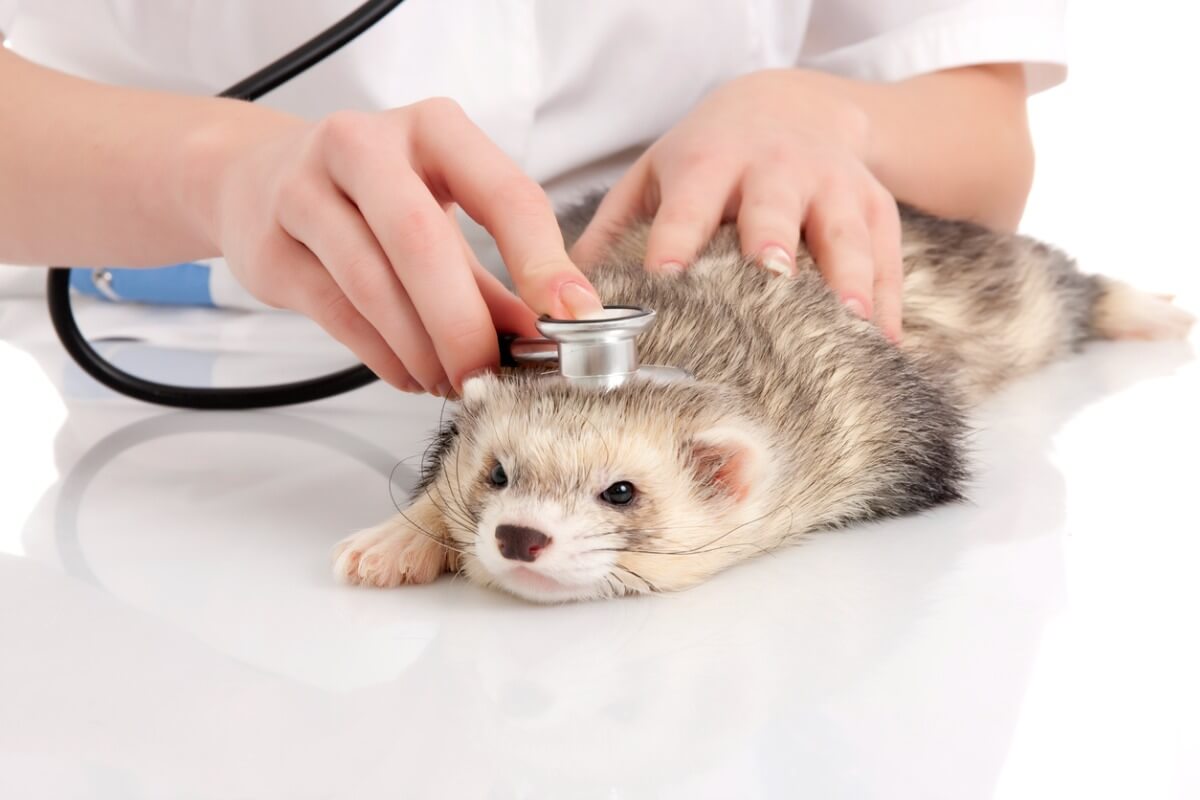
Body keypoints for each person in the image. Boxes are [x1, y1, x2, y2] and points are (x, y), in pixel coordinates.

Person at [0, 1, 1065, 399]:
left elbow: (980, 130)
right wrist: (217, 169)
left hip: (696, 404)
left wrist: (828, 118)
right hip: (166, 386)